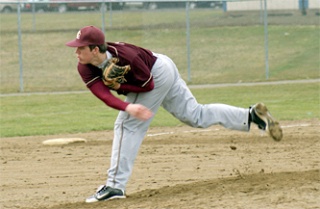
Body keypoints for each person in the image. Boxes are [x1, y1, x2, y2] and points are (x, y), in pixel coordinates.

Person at [65, 25, 283, 203]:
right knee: (195, 115)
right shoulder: (84, 66)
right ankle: (250, 116)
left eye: (80, 48)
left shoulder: (126, 58)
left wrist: (127, 98)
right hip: (158, 68)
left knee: (127, 125)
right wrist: (126, 103)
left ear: (95, 49)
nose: (76, 52)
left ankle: (114, 186)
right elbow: (102, 94)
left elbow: (149, 86)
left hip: (157, 72)